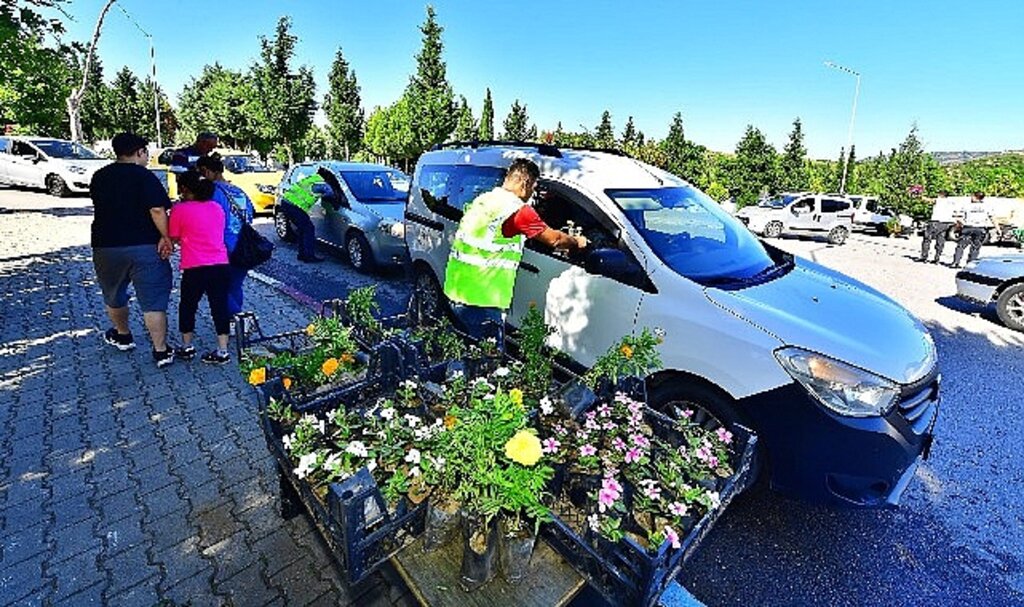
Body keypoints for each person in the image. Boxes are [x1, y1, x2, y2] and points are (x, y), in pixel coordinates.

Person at [443, 158, 587, 340]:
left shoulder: (484, 200)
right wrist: (578, 241)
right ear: (525, 183)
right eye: (533, 188)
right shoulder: (517, 211)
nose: (532, 195)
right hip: (481, 301)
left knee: (465, 352)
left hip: (456, 292)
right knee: (486, 361)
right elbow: (555, 240)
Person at [90, 132, 175, 368]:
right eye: (146, 152)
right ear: (139, 152)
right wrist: (166, 237)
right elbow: (157, 210)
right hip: (145, 246)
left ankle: (123, 335)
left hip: (106, 245)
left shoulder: (100, 176)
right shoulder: (144, 176)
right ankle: (161, 351)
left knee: (114, 293)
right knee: (153, 300)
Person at [168, 171, 233, 364]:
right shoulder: (217, 208)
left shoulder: (180, 209)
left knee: (188, 305)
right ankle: (223, 350)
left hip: (195, 266)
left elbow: (174, 236)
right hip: (220, 264)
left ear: (186, 189)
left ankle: (187, 346)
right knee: (219, 306)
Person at [196, 155, 255, 316]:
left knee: (214, 286)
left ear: (207, 172)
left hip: (221, 246)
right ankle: (235, 323)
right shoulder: (237, 190)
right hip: (243, 246)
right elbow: (251, 213)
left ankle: (239, 318)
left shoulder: (210, 192)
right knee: (235, 285)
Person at [279, 166, 338, 263]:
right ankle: (308, 256)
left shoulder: (313, 178)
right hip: (294, 206)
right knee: (308, 229)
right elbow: (332, 194)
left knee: (303, 229)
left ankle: (302, 254)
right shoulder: (322, 184)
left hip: (286, 202)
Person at [951, 191, 994, 268]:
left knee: (961, 246)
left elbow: (959, 217)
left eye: (972, 196)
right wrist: (998, 229)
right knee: (975, 247)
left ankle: (955, 262)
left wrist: (959, 226)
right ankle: (970, 265)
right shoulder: (987, 206)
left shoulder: (967, 206)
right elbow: (992, 218)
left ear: (974, 197)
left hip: (968, 227)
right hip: (980, 229)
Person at [919, 191, 955, 263]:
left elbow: (926, 200)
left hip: (935, 222)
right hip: (945, 223)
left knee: (927, 239)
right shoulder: (951, 202)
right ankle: (937, 258)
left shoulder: (938, 200)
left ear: (941, 195)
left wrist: (919, 195)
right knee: (940, 240)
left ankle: (924, 256)